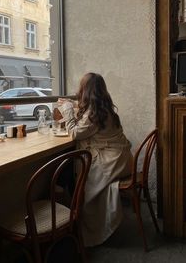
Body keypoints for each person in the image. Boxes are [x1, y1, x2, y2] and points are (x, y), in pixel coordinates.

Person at [57, 73, 133, 247]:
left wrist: (68, 109)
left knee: (70, 169)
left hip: (111, 160)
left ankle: (72, 220)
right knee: (70, 168)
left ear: (86, 90)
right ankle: (72, 216)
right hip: (122, 158)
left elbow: (75, 133)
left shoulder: (95, 113)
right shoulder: (103, 108)